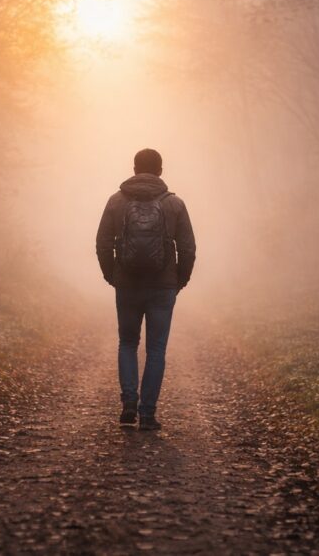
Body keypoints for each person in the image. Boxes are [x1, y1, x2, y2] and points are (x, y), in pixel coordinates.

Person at [95, 148, 196, 431]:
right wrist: (178, 281)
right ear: (160, 171)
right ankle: (148, 414)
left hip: (127, 284)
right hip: (162, 287)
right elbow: (188, 249)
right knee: (156, 349)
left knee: (128, 343)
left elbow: (102, 244)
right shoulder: (174, 204)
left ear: (134, 169)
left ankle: (129, 401)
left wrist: (113, 276)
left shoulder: (116, 201)